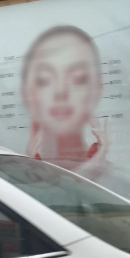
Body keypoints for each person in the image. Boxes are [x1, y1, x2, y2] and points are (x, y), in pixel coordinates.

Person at [21, 26, 111, 183]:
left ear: (97, 89)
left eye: (78, 78)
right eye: (44, 80)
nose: (61, 91)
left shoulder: (117, 180)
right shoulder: (15, 178)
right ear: (27, 93)